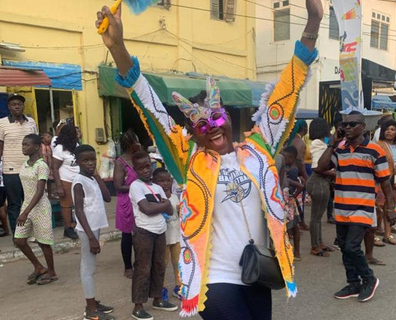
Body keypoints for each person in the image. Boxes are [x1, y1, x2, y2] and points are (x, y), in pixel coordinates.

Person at [96, 0, 322, 317]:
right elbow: (150, 107)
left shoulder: (258, 148)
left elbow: (285, 92)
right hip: (215, 280)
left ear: (228, 118)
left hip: (257, 270)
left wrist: (314, 20)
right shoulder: (189, 159)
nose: (212, 128)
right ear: (194, 132)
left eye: (217, 118)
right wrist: (118, 47)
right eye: (202, 125)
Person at [316, 111, 396, 302]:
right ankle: (353, 283)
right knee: (344, 247)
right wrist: (332, 144)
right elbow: (320, 167)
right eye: (345, 125)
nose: (348, 128)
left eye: (352, 125)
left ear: (363, 127)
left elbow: (386, 182)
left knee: (352, 247)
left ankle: (369, 279)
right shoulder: (340, 149)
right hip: (342, 206)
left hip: (362, 206)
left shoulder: (375, 150)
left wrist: (391, 208)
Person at [129, 151, 176, 319]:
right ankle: (138, 306)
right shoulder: (136, 186)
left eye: (147, 166)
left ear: (152, 165)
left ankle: (158, 299)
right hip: (144, 232)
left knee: (159, 265)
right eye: (140, 168)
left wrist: (164, 205)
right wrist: (163, 205)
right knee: (143, 268)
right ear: (135, 170)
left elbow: (170, 210)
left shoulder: (157, 187)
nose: (145, 171)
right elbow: (146, 210)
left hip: (160, 231)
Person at [72, 144, 114, 320]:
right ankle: (90, 310)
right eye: (85, 160)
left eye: (92, 160)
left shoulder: (91, 178)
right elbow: (79, 211)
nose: (90, 163)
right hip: (87, 230)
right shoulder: (78, 182)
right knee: (87, 268)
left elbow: (108, 197)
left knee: (91, 267)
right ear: (78, 162)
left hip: (94, 228)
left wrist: (97, 175)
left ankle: (93, 302)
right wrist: (91, 238)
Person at [14, 134, 57, 285]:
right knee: (19, 240)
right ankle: (38, 267)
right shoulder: (25, 164)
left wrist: (25, 212)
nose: (24, 147)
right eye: (23, 144)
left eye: (27, 145)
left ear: (37, 147)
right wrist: (25, 209)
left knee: (43, 242)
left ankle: (51, 272)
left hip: (40, 207)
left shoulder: (42, 166)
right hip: (27, 205)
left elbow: (39, 191)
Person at [0, 93, 37, 235]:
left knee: (31, 202)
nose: (17, 106)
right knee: (14, 204)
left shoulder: (31, 122)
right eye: (14, 104)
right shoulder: (2, 123)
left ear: (23, 106)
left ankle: (33, 232)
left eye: (19, 104)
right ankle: (18, 235)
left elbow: (36, 145)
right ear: (9, 106)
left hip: (30, 169)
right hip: (11, 171)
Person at [113, 130, 140, 279]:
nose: (139, 144)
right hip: (126, 202)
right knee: (127, 235)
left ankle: (139, 263)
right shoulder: (120, 162)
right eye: (136, 141)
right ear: (130, 144)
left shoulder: (138, 159)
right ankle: (128, 266)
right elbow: (118, 186)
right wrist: (138, 187)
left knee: (141, 234)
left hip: (139, 201)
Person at [152, 168, 182, 301]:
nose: (165, 184)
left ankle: (179, 287)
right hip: (163, 237)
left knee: (178, 263)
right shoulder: (155, 199)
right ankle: (162, 288)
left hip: (176, 236)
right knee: (162, 264)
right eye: (161, 181)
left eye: (167, 181)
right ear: (154, 182)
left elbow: (180, 215)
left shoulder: (175, 197)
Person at [307, 117, 334, 257]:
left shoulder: (321, 142)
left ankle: (319, 242)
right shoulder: (318, 143)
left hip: (320, 182)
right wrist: (335, 173)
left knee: (318, 216)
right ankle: (315, 246)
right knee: (316, 217)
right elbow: (317, 167)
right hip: (319, 181)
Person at [375, 120, 396, 245]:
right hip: (381, 179)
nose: (389, 132)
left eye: (392, 129)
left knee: (389, 207)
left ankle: (387, 235)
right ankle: (375, 234)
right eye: (387, 129)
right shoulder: (378, 145)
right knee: (379, 208)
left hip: (394, 180)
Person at [52, 124, 80, 239]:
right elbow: (54, 168)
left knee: (78, 204)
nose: (78, 134)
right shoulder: (59, 148)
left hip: (77, 180)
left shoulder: (76, 145)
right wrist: (59, 186)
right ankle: (68, 228)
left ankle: (77, 226)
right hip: (66, 180)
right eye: (75, 132)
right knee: (66, 205)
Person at [281, 146, 304, 261]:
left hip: (287, 204)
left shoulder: (290, 172)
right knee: (294, 228)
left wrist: (292, 196)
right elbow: (300, 186)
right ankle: (296, 253)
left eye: (284, 157)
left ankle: (290, 253)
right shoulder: (290, 169)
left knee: (289, 229)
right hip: (290, 202)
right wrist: (293, 197)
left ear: (291, 158)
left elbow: (300, 186)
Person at [287, 119, 310, 230]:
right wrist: (305, 176)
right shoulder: (300, 143)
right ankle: (298, 223)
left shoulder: (291, 140)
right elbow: (300, 161)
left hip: (290, 171)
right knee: (298, 200)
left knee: (291, 198)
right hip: (296, 172)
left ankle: (294, 223)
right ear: (304, 129)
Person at [41, 132, 55, 198]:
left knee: (50, 180)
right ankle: (43, 193)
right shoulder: (41, 146)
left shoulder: (51, 146)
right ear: (43, 139)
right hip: (43, 165)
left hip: (50, 165)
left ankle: (50, 193)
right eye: (48, 137)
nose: (51, 138)